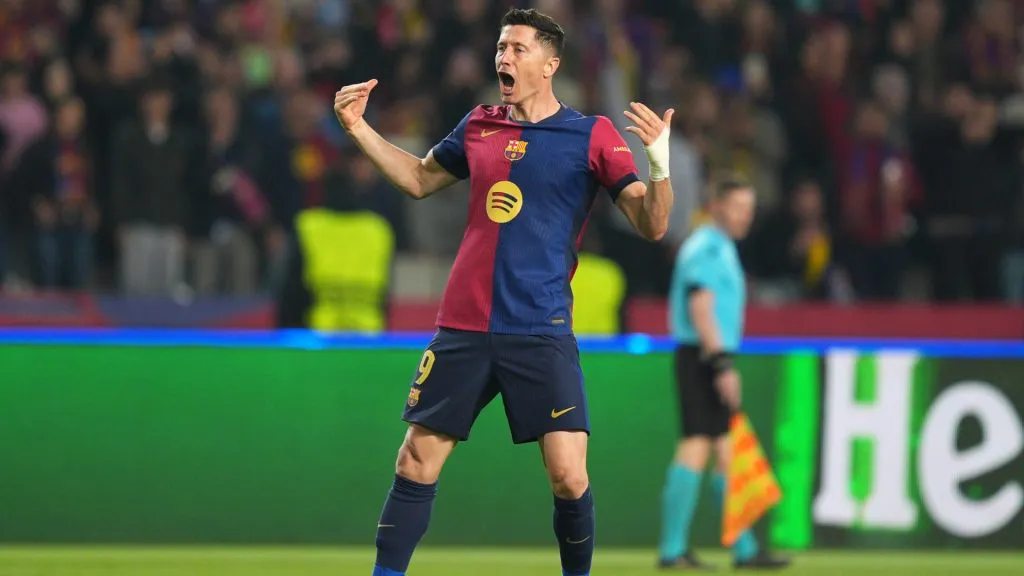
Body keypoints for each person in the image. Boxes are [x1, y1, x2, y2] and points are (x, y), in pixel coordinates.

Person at [333, 8, 675, 576]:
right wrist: (359, 129)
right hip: (464, 324)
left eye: (517, 48)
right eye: (500, 48)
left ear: (550, 64)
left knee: (569, 474)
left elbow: (653, 223)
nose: (503, 58)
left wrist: (659, 163)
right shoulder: (479, 124)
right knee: (416, 459)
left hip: (539, 328)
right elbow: (419, 178)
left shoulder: (591, 134)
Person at [658, 179, 791, 571]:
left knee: (725, 454)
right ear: (716, 205)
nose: (744, 217)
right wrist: (722, 366)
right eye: (737, 207)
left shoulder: (719, 246)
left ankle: (745, 549)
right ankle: (672, 550)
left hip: (706, 354)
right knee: (696, 445)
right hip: (702, 356)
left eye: (749, 209)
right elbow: (702, 308)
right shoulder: (708, 247)